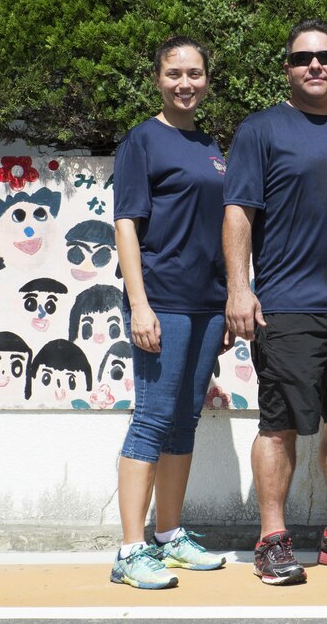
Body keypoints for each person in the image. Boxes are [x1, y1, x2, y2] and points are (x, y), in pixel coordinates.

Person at [223, 19, 327, 586]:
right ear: (286, 69)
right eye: (301, 59)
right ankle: (272, 538)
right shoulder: (261, 130)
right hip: (286, 305)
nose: (315, 66)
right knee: (279, 425)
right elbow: (239, 211)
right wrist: (239, 289)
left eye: (326, 57)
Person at [111, 36, 229, 589]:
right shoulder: (143, 140)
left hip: (207, 303)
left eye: (196, 73)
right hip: (162, 301)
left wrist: (229, 297)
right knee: (153, 419)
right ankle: (130, 550)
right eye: (175, 73)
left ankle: (169, 535)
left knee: (185, 420)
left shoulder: (210, 144)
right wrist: (139, 304)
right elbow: (127, 224)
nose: (186, 82)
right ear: (158, 78)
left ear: (207, 79)